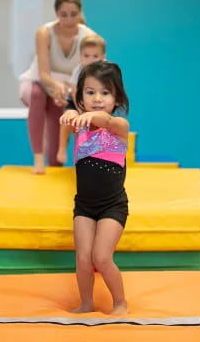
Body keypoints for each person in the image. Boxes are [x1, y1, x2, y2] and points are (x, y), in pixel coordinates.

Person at [59, 61, 130, 315]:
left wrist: (89, 116)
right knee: (83, 259)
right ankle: (86, 303)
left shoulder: (119, 127)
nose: (97, 98)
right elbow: (70, 117)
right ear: (80, 97)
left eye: (105, 93)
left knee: (101, 257)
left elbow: (106, 120)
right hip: (84, 206)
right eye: (90, 92)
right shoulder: (81, 125)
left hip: (113, 206)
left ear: (117, 97)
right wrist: (70, 115)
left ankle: (120, 302)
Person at [19, 0, 96, 174]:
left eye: (73, 15)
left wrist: (70, 93)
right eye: (63, 15)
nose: (69, 20)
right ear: (56, 14)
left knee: (58, 123)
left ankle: (56, 162)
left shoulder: (88, 37)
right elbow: (44, 73)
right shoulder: (45, 33)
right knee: (38, 96)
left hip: (70, 85)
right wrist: (56, 88)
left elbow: (90, 72)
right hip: (40, 80)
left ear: (80, 13)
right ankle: (38, 158)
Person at [56, 34, 107, 164]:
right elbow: (74, 91)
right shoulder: (79, 70)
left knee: (92, 129)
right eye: (86, 56)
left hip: (96, 102)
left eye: (95, 56)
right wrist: (81, 110)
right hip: (76, 100)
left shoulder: (106, 70)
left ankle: (89, 156)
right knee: (68, 120)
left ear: (103, 57)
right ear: (80, 56)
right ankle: (62, 148)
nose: (90, 60)